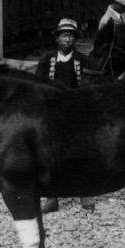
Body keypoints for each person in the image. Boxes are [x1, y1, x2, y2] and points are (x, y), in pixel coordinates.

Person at [35, 19, 97, 212]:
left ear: (76, 39)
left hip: (75, 111)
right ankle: (52, 197)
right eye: (64, 35)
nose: (67, 39)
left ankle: (84, 194)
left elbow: (89, 85)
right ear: (57, 38)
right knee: (50, 155)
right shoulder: (47, 59)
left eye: (71, 35)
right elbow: (38, 84)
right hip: (52, 112)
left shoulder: (82, 59)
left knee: (79, 153)